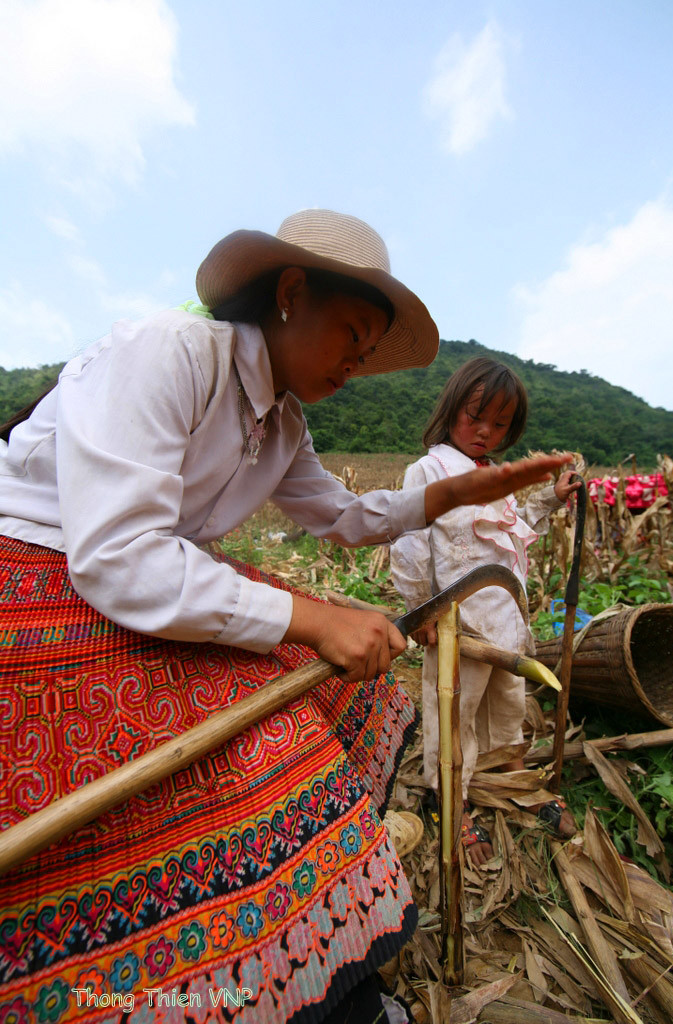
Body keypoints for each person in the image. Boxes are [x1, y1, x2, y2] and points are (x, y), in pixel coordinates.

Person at [0, 211, 568, 1022]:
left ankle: (314, 951)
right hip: (45, 572)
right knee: (242, 756)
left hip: (151, 580)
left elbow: (342, 517)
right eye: (353, 333)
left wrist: (452, 493)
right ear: (291, 293)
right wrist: (311, 619)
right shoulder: (170, 350)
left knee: (303, 719)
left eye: (368, 351)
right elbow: (119, 556)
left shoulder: (282, 422)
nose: (357, 361)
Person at [390, 357, 579, 868]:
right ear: (453, 408)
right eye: (476, 417)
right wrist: (419, 612)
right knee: (453, 715)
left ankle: (511, 778)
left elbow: (510, 528)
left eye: (499, 425)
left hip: (504, 624)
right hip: (458, 624)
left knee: (506, 710)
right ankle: (448, 797)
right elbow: (409, 545)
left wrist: (551, 500)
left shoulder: (492, 475)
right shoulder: (429, 471)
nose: (485, 432)